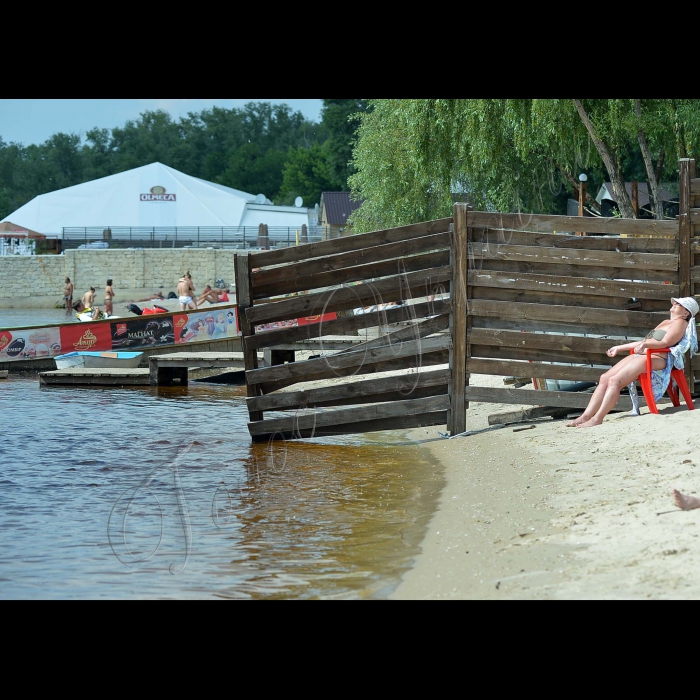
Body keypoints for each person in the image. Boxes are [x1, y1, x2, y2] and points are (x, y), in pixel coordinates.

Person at [566, 297, 698, 428]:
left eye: (679, 304)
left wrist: (646, 344)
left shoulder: (680, 322)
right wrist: (619, 347)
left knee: (615, 381)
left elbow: (665, 343)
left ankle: (598, 418)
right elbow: (645, 341)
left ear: (686, 313)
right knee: (604, 378)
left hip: (659, 358)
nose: (675, 303)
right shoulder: (665, 322)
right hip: (645, 355)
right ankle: (585, 416)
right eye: (676, 302)